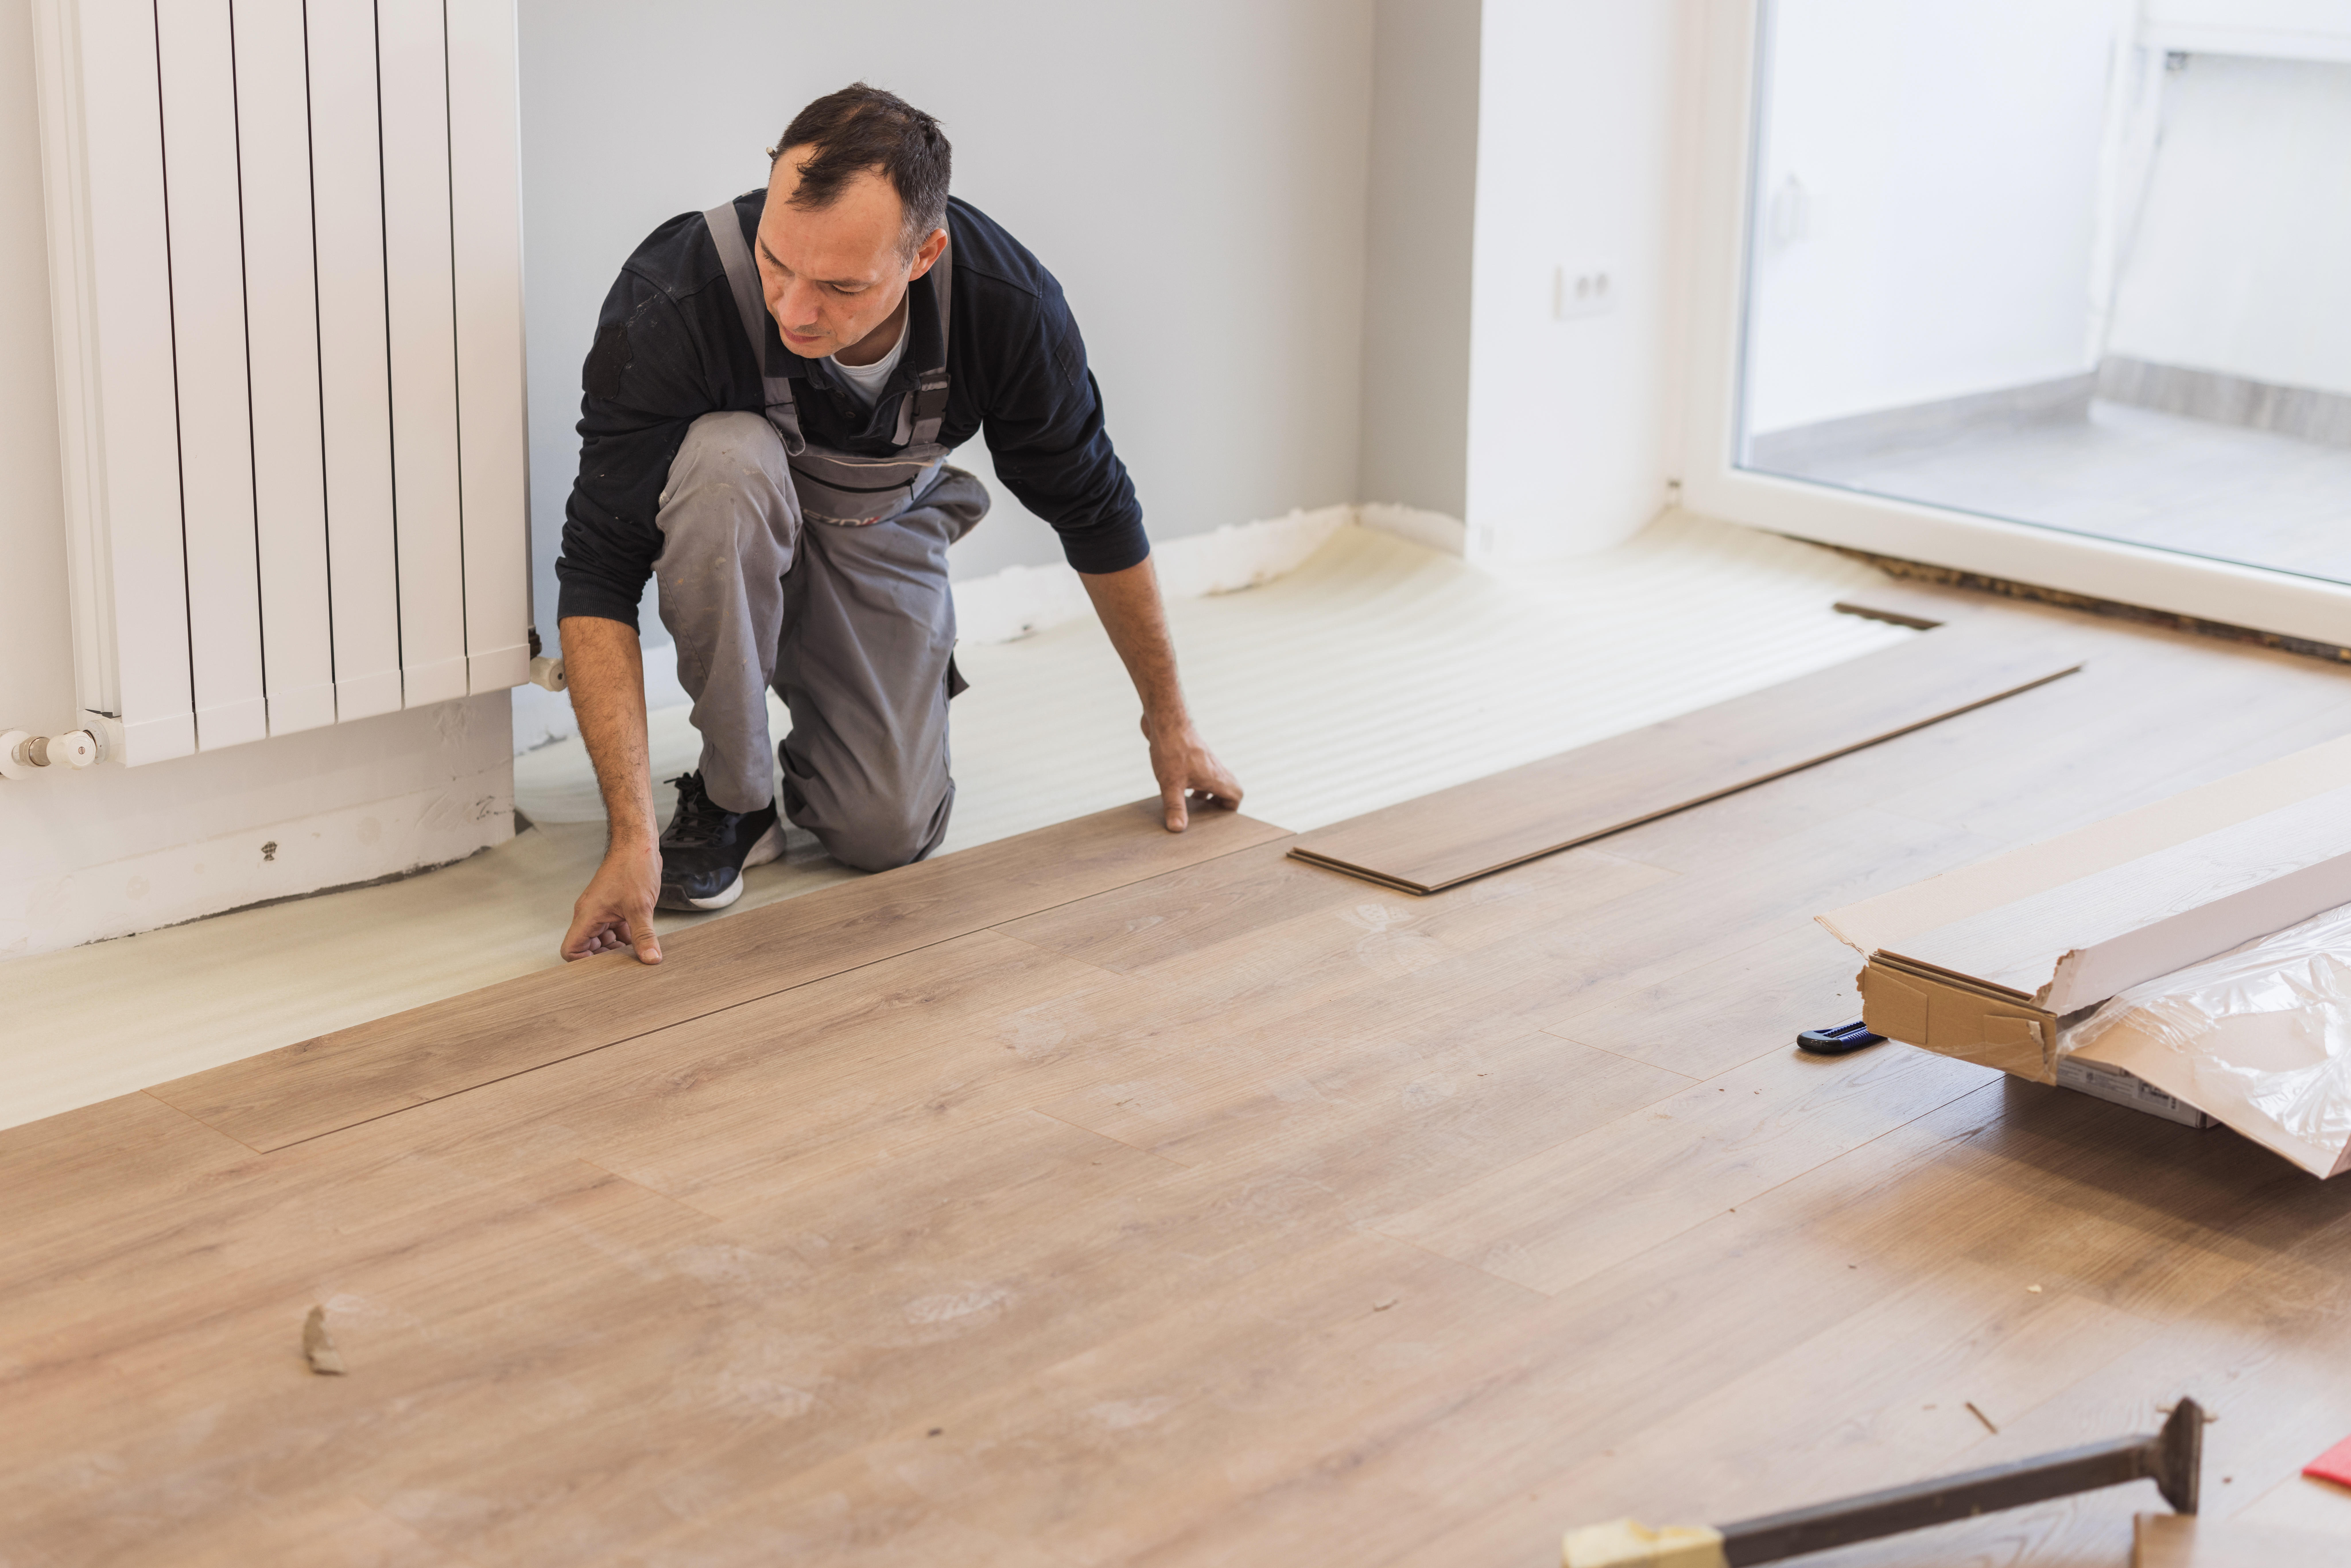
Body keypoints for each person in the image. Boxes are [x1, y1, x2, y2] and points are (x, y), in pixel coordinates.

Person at [554, 83, 1243, 965]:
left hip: (875, 522)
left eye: (841, 286)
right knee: (726, 463)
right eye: (777, 264)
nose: (795, 310)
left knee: (886, 832)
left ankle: (840, 727)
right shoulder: (677, 293)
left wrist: (1170, 721)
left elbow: (1097, 508)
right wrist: (631, 837)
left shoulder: (1006, 305)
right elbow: (599, 567)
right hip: (728, 520)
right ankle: (735, 797)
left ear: (924, 255)